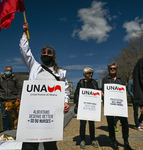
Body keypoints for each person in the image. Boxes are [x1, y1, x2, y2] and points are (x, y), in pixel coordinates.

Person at [20, 22, 70, 150]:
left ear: (54, 56)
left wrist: (65, 102)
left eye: (49, 53)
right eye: (43, 52)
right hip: (32, 112)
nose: (45, 54)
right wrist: (25, 33)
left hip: (51, 113)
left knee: (50, 144)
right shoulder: (34, 67)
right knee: (29, 145)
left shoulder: (61, 72)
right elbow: (25, 51)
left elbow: (65, 90)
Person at [102, 62, 132, 150]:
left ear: (116, 69)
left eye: (114, 68)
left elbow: (123, 90)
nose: (112, 70)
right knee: (111, 124)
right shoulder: (105, 79)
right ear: (108, 69)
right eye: (111, 68)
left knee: (124, 123)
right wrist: (104, 95)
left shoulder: (120, 79)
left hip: (120, 105)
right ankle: (113, 140)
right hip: (109, 104)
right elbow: (103, 91)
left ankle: (126, 141)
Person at [74, 67, 99, 149]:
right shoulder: (81, 82)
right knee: (83, 124)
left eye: (92, 73)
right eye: (89, 73)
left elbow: (97, 93)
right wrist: (76, 104)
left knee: (92, 123)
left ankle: (93, 139)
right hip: (83, 107)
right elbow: (77, 94)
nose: (91, 74)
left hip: (92, 107)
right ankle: (82, 139)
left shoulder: (94, 82)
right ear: (85, 74)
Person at [0, 66, 21, 131]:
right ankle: (6, 130)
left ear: (11, 72)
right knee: (4, 115)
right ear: (4, 71)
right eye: (7, 70)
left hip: (13, 100)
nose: (8, 72)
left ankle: (16, 129)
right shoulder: (0, 79)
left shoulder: (15, 78)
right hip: (4, 100)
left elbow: (19, 88)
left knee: (15, 115)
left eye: (10, 71)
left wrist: (18, 97)